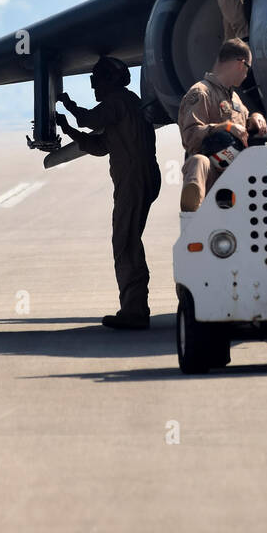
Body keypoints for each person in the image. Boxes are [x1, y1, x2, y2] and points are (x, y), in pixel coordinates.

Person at [55, 56, 162, 330]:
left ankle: (135, 310)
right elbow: (102, 145)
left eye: (96, 81)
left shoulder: (118, 102)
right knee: (128, 240)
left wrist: (67, 105)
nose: (94, 88)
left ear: (109, 81)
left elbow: (91, 120)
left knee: (125, 242)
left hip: (133, 180)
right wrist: (68, 129)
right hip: (139, 179)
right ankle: (135, 307)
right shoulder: (127, 105)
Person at [178, 39, 267, 212]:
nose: (247, 75)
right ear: (241, 64)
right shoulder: (201, 92)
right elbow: (190, 137)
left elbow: (244, 125)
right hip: (212, 174)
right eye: (248, 68)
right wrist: (222, 127)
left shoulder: (235, 99)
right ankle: (193, 212)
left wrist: (256, 117)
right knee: (198, 161)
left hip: (236, 174)